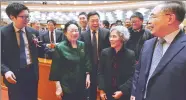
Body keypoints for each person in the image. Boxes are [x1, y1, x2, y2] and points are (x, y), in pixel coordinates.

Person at [131, 1, 186, 100]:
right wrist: (134, 93)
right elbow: (138, 71)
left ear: (170, 18)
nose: (149, 21)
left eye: (153, 16)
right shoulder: (148, 44)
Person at [1, 3, 39, 100]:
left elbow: (39, 49)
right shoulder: (3, 33)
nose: (27, 19)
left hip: (31, 73)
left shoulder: (33, 32)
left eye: (28, 16)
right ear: (12, 17)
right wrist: (5, 71)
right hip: (14, 75)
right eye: (23, 17)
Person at [49, 20, 92, 100]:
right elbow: (55, 68)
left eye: (76, 31)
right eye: (71, 31)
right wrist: (58, 87)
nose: (74, 33)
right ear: (65, 33)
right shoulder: (60, 47)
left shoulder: (82, 45)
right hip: (67, 85)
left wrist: (88, 76)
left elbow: (87, 62)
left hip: (81, 83)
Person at [98, 26, 135, 100]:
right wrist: (101, 90)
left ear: (122, 38)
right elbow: (100, 72)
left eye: (114, 36)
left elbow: (132, 75)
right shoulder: (105, 52)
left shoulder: (130, 54)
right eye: (110, 36)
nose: (111, 39)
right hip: (107, 92)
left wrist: (122, 91)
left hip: (123, 93)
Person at [80, 11, 110, 100]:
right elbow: (83, 53)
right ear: (88, 22)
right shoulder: (83, 35)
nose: (95, 23)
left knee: (104, 91)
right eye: (92, 21)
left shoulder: (106, 33)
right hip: (90, 68)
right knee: (91, 91)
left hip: (104, 68)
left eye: (97, 20)